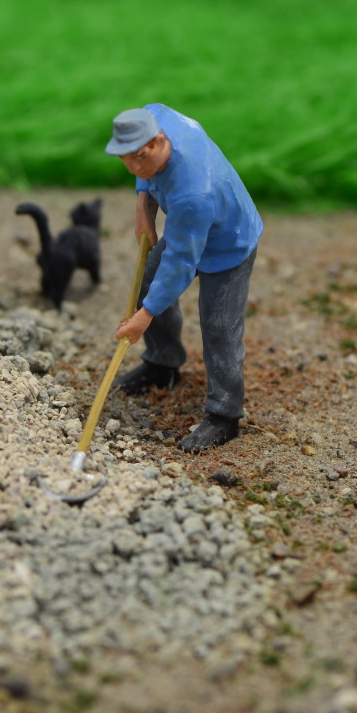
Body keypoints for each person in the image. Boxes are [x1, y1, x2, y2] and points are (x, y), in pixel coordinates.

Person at [107, 104, 263, 452]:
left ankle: (225, 415)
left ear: (159, 141)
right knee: (148, 284)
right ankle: (163, 363)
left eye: (141, 158)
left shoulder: (193, 193)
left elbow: (179, 261)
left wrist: (142, 318)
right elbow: (142, 162)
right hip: (189, 229)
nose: (134, 167)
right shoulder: (152, 119)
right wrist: (142, 206)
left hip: (227, 242)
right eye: (126, 159)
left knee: (220, 326)